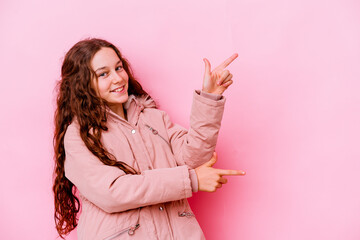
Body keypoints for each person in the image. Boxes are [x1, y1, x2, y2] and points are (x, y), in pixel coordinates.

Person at [53, 38, 245, 240]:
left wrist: (209, 97)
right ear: (81, 84)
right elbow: (112, 192)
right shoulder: (79, 136)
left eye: (119, 68)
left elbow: (193, 158)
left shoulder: (153, 117)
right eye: (103, 74)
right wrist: (191, 180)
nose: (118, 78)